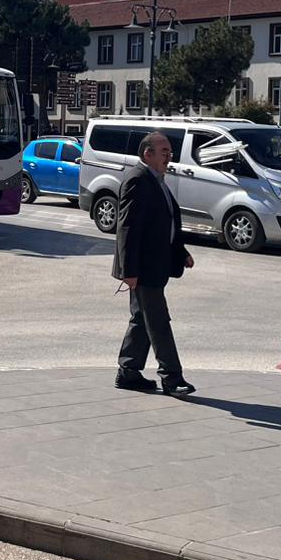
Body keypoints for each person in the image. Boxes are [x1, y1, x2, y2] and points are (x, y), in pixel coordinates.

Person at [112, 132, 197, 398]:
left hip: (155, 264)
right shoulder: (138, 179)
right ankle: (172, 377)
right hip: (144, 267)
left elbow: (165, 222)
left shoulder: (156, 180)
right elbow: (128, 227)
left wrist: (180, 251)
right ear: (147, 153)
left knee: (141, 319)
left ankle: (128, 372)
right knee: (158, 321)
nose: (169, 156)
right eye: (164, 152)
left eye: (170, 152)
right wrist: (129, 271)